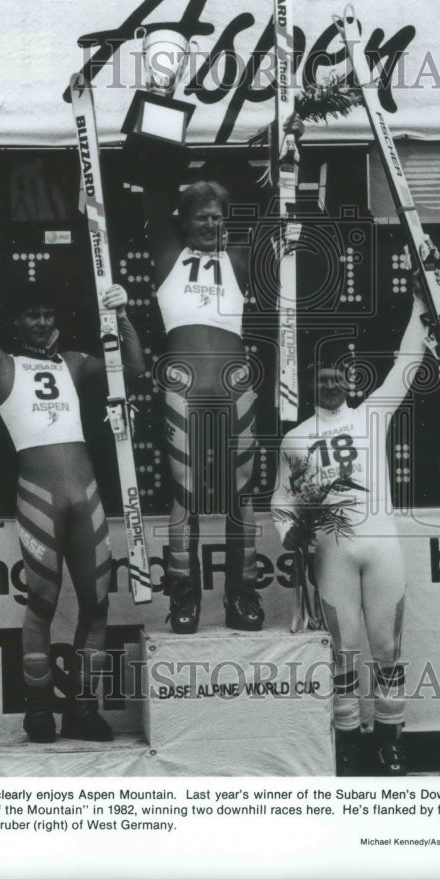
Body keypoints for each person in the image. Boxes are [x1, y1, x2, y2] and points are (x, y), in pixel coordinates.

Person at [0, 227, 145, 743]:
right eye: (32, 315)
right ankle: (38, 709)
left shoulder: (76, 364)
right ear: (17, 321)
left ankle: (82, 710)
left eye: (48, 314)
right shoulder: (1, 364)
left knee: (99, 601)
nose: (41, 322)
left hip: (86, 497)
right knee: (42, 600)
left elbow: (134, 369)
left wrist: (123, 315)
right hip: (39, 496)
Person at [271, 275, 431, 776]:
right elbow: (280, 501)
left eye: (338, 377)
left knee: (386, 648)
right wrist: (289, 533)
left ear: (349, 380)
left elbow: (408, 363)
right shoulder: (295, 439)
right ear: (309, 385)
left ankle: (390, 739)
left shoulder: (372, 416)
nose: (332, 384)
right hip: (332, 553)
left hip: (381, 545)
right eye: (322, 378)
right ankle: (346, 744)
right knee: (342, 654)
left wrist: (422, 302)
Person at [144, 181, 262, 634]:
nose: (212, 223)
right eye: (202, 217)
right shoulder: (168, 257)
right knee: (184, 491)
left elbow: (273, 207)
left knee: (242, 491)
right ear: (184, 220)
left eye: (218, 216)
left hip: (236, 385)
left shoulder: (237, 259)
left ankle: (242, 594)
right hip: (183, 385)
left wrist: (287, 151)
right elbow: (153, 201)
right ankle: (183, 596)